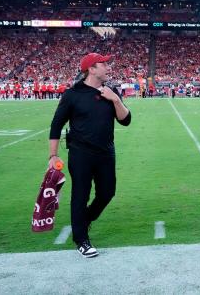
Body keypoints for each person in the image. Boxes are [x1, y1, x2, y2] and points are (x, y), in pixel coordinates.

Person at [48, 53, 132, 258]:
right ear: (91, 69)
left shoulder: (110, 91)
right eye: (104, 64)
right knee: (80, 195)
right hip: (80, 153)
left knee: (107, 193)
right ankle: (81, 239)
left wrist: (115, 100)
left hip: (106, 151)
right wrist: (53, 155)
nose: (108, 67)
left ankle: (83, 220)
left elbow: (126, 120)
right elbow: (56, 124)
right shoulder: (73, 94)